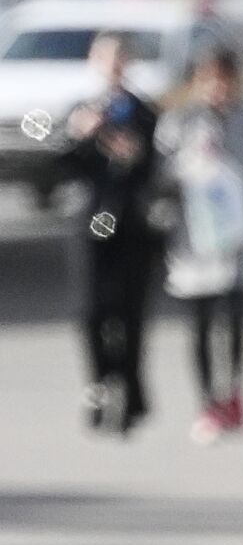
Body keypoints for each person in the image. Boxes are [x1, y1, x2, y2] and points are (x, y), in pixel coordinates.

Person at [155, 46, 243, 444]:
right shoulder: (181, 121)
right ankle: (207, 402)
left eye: (224, 80)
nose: (218, 88)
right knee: (201, 323)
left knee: (237, 319)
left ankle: (234, 390)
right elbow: (160, 173)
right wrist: (188, 162)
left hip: (238, 239)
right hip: (194, 241)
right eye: (209, 80)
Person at [62, 31, 162, 435]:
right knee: (90, 311)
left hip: (133, 224)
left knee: (132, 312)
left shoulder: (143, 112)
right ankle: (99, 383)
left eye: (120, 58)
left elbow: (155, 165)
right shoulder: (82, 110)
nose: (113, 66)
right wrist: (79, 135)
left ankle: (132, 387)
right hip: (90, 221)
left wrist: (135, 155)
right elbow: (63, 166)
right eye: (105, 58)